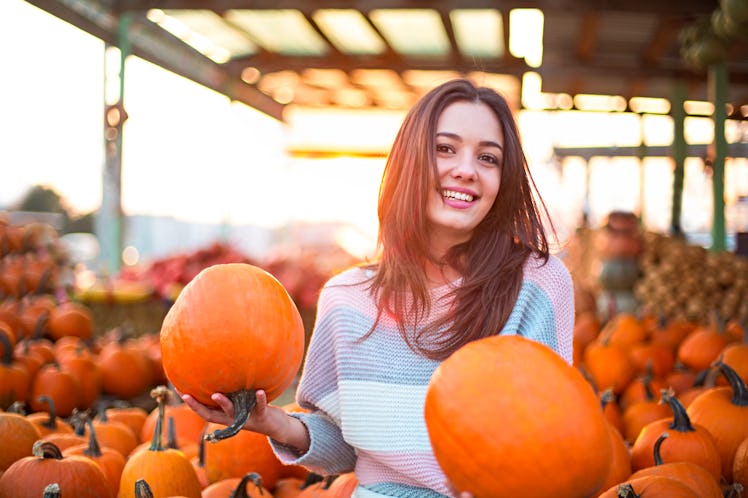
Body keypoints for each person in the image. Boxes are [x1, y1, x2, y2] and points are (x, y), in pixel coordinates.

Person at [182, 78, 574, 497]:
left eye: (488, 158)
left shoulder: (537, 285)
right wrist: (274, 423)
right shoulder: (347, 299)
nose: (466, 169)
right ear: (410, 161)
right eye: (445, 148)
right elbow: (346, 446)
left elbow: (547, 442)